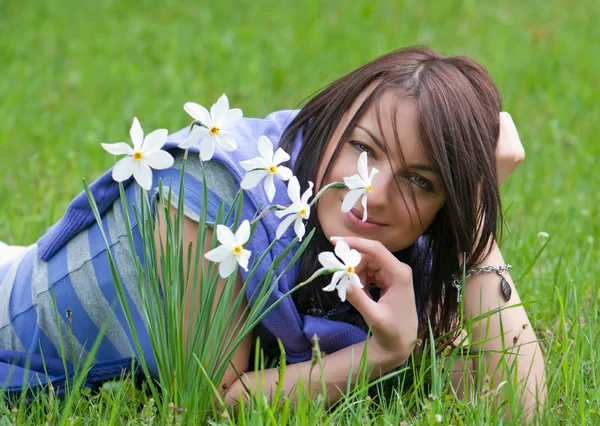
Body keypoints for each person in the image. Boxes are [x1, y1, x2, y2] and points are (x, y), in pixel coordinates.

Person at [0, 47, 545, 415]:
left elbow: (522, 403)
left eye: (421, 180)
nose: (373, 192)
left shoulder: (405, 243)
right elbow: (212, 398)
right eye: (363, 147)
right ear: (332, 115)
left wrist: (476, 217)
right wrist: (379, 356)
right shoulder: (210, 194)